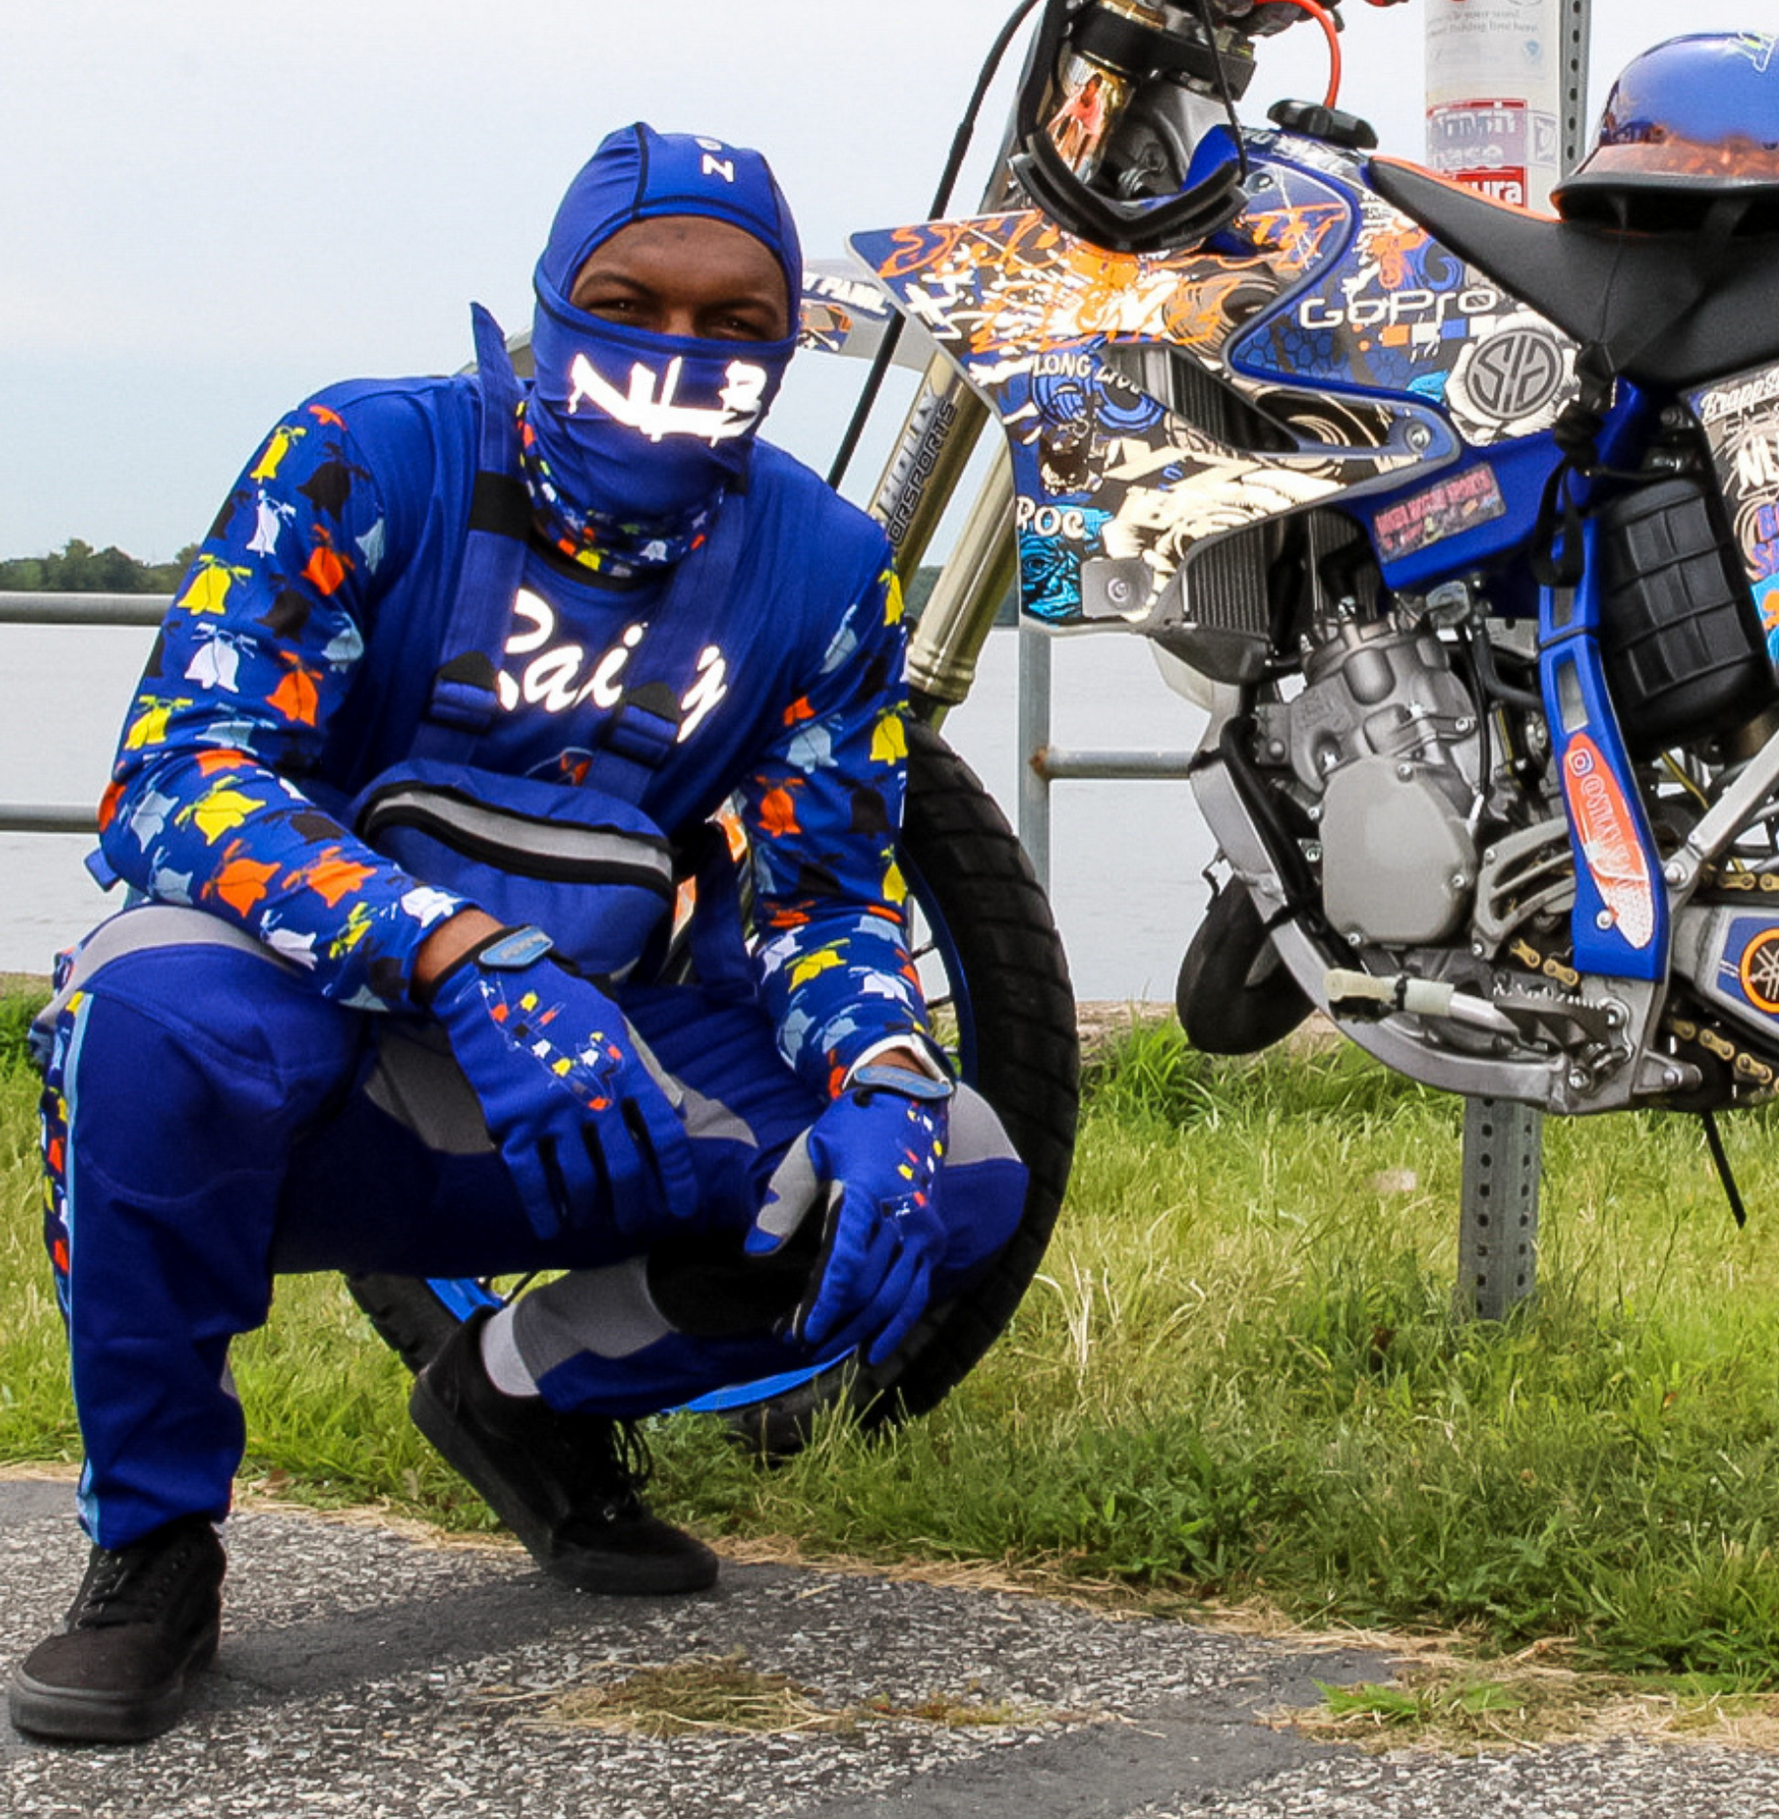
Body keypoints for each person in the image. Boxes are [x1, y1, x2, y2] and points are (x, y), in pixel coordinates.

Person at [8, 126, 1029, 1745]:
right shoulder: (358, 456)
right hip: (324, 1049)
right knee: (144, 1009)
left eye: (729, 323)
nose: (674, 353)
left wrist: (889, 1068)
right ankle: (152, 1545)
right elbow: (181, 778)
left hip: (606, 1068)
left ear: (785, 346)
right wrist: (461, 957)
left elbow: (815, 891)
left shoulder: (830, 569)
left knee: (955, 1163)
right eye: (630, 302)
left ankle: (516, 1397)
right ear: (547, 302)